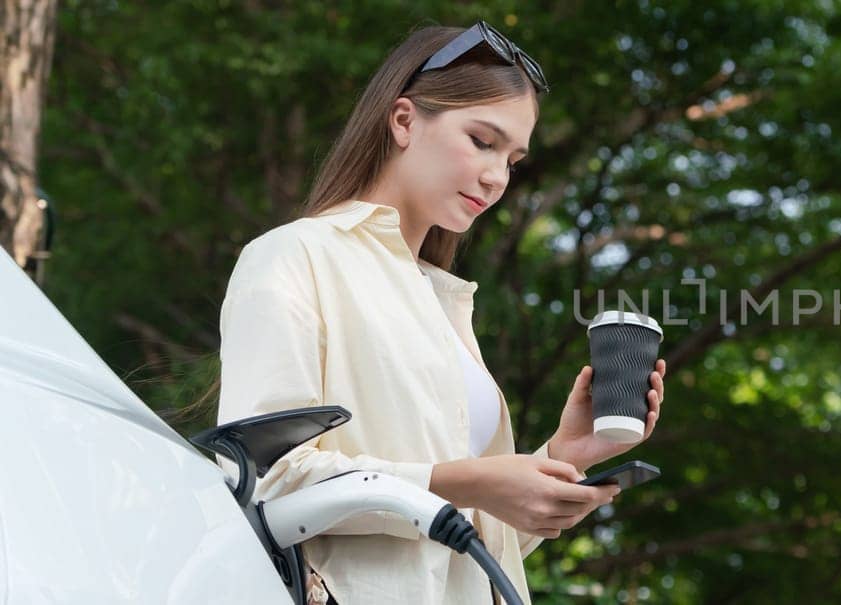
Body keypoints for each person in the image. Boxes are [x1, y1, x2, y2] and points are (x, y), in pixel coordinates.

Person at [216, 22, 667, 605]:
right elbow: (263, 480)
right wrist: (467, 482)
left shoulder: (441, 298)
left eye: (513, 159)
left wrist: (559, 458)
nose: (496, 177)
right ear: (403, 120)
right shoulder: (296, 255)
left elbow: (458, 550)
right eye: (482, 141)